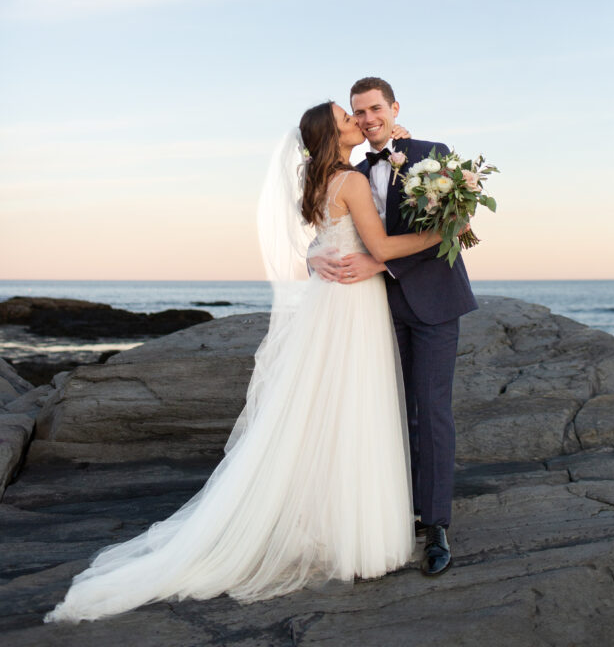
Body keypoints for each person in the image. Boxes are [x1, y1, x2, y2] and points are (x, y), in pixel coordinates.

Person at [44, 101, 441, 623]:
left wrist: (315, 254)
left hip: (332, 304)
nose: (355, 122)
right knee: (354, 408)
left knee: (324, 411)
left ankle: (332, 520)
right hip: (352, 306)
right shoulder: (350, 181)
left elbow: (323, 241)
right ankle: (355, 532)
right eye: (348, 118)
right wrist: (442, 234)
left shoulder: (318, 181)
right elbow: (383, 247)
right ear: (334, 134)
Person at [310, 77, 478, 577]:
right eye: (357, 112)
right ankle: (394, 512)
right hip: (377, 310)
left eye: (374, 108)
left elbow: (455, 230)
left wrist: (381, 265)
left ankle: (437, 524)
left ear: (393, 108)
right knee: (389, 413)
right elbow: (338, 231)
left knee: (432, 411)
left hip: (431, 304)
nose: (367, 118)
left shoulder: (433, 155)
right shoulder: (354, 172)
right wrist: (313, 257)